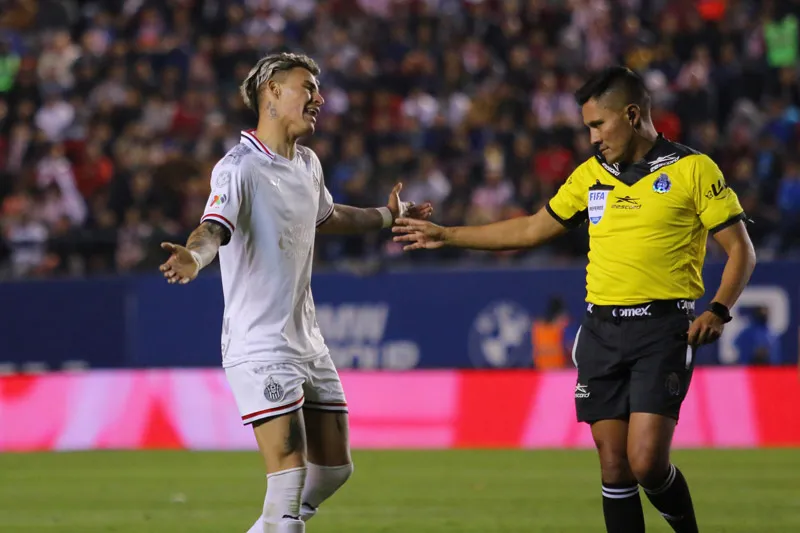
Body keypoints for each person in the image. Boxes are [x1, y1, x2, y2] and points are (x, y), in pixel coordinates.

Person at [393, 66, 756, 533]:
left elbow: (741, 250)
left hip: (661, 330)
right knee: (614, 467)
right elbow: (529, 228)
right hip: (602, 333)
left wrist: (719, 309)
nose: (592, 138)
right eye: (588, 127)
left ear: (631, 114)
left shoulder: (692, 168)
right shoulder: (590, 176)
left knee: (646, 462)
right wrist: (447, 233)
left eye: (598, 125)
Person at [158, 52, 432, 533]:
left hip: (306, 340)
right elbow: (210, 229)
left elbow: (329, 216)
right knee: (288, 473)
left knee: (335, 469)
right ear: (272, 92)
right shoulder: (237, 168)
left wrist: (387, 216)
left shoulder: (307, 163)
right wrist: (194, 257)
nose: (318, 98)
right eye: (307, 87)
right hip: (260, 344)